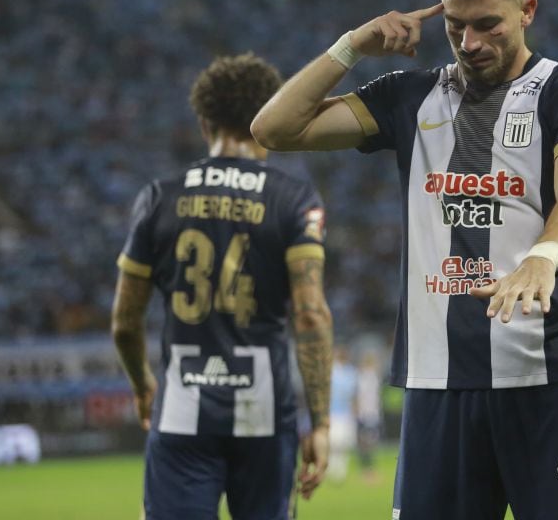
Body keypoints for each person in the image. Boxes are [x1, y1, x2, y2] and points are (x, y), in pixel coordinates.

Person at [251, 0, 558, 520]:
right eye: (454, 26)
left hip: (542, 372)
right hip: (436, 383)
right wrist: (355, 45)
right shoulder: (410, 95)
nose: (469, 43)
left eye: (487, 24)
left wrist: (542, 256)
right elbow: (274, 129)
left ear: (527, 11)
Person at [112, 52, 334, 520]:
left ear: (202, 122)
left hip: (182, 408)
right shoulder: (292, 198)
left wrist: (142, 385)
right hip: (265, 409)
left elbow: (125, 322)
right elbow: (310, 313)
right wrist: (321, 420)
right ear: (269, 113)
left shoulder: (159, 197)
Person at [327, 344, 358, 483]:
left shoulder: (350, 372)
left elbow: (353, 394)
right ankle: (334, 469)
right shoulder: (331, 371)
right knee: (334, 442)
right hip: (334, 412)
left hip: (343, 412)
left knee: (342, 443)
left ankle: (339, 471)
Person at [355, 349, 384, 483]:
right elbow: (362, 397)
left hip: (370, 414)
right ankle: (368, 471)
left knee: (368, 443)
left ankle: (368, 470)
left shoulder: (369, 377)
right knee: (368, 443)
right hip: (368, 414)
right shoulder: (368, 377)